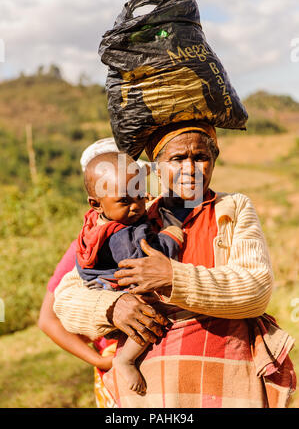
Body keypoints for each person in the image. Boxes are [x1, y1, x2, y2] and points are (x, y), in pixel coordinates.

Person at [51, 121, 296, 408]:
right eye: (177, 159)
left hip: (227, 386)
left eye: (201, 157)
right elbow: (65, 298)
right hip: (149, 396)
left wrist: (173, 276)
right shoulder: (132, 215)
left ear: (214, 159)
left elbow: (256, 290)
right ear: (156, 166)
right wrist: (113, 306)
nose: (190, 168)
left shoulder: (233, 209)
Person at [75, 150, 183, 395]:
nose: (136, 207)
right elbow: (147, 261)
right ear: (95, 203)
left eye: (140, 196)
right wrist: (171, 236)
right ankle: (126, 359)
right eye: (125, 201)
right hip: (118, 288)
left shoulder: (97, 223)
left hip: (101, 283)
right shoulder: (122, 236)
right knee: (148, 312)